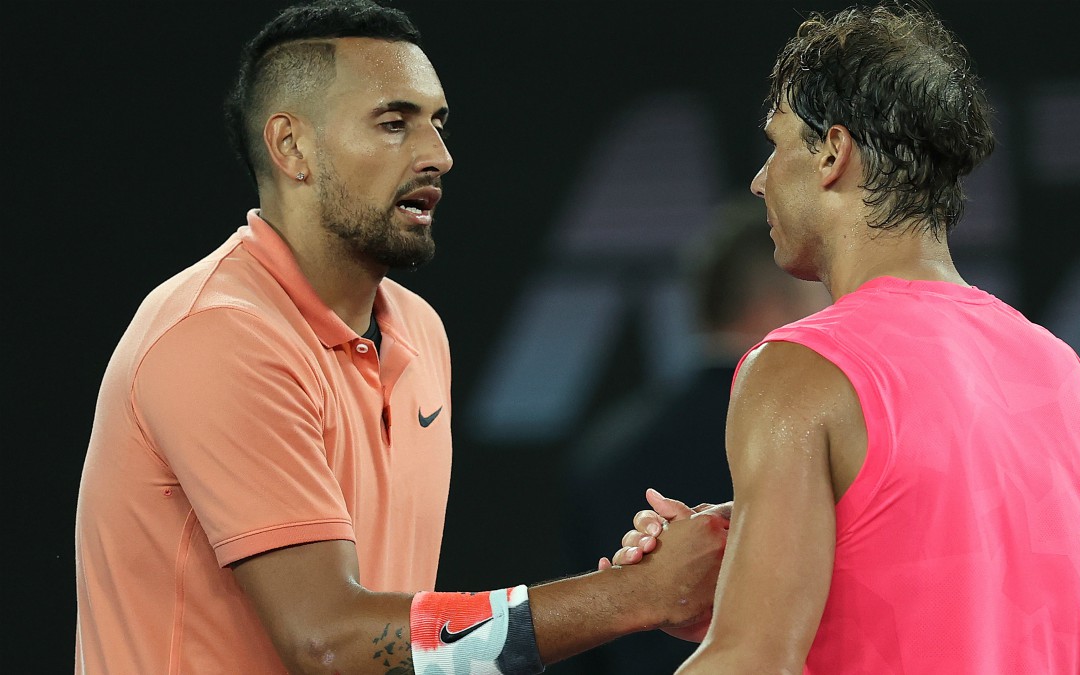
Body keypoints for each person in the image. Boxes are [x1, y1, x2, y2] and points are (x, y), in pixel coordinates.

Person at [73, 2, 727, 674]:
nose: (437, 156)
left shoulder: (418, 330)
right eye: (394, 123)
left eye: (437, 123)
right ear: (291, 146)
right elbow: (328, 640)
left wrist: (660, 580)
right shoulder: (219, 334)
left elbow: (401, 639)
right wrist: (636, 594)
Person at [613, 4, 1080, 673]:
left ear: (832, 153)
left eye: (778, 143)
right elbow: (960, 601)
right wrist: (745, 585)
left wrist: (738, 628)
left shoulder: (799, 369)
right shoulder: (1062, 371)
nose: (761, 179)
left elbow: (751, 662)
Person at [563, 196, 829, 673]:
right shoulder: (815, 432)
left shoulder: (609, 448)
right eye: (823, 299)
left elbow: (584, 644)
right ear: (775, 304)